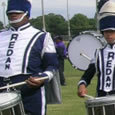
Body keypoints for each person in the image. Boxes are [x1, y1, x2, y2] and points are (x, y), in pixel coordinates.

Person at [0, 0, 58, 115]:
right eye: (10, 13)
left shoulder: (42, 37)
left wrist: (42, 78)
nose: (13, 15)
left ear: (27, 13)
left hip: (30, 90)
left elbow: (52, 65)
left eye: (17, 12)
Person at [78, 1, 115, 98]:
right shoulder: (98, 53)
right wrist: (82, 84)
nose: (108, 34)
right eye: (106, 31)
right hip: (101, 98)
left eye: (111, 31)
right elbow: (88, 74)